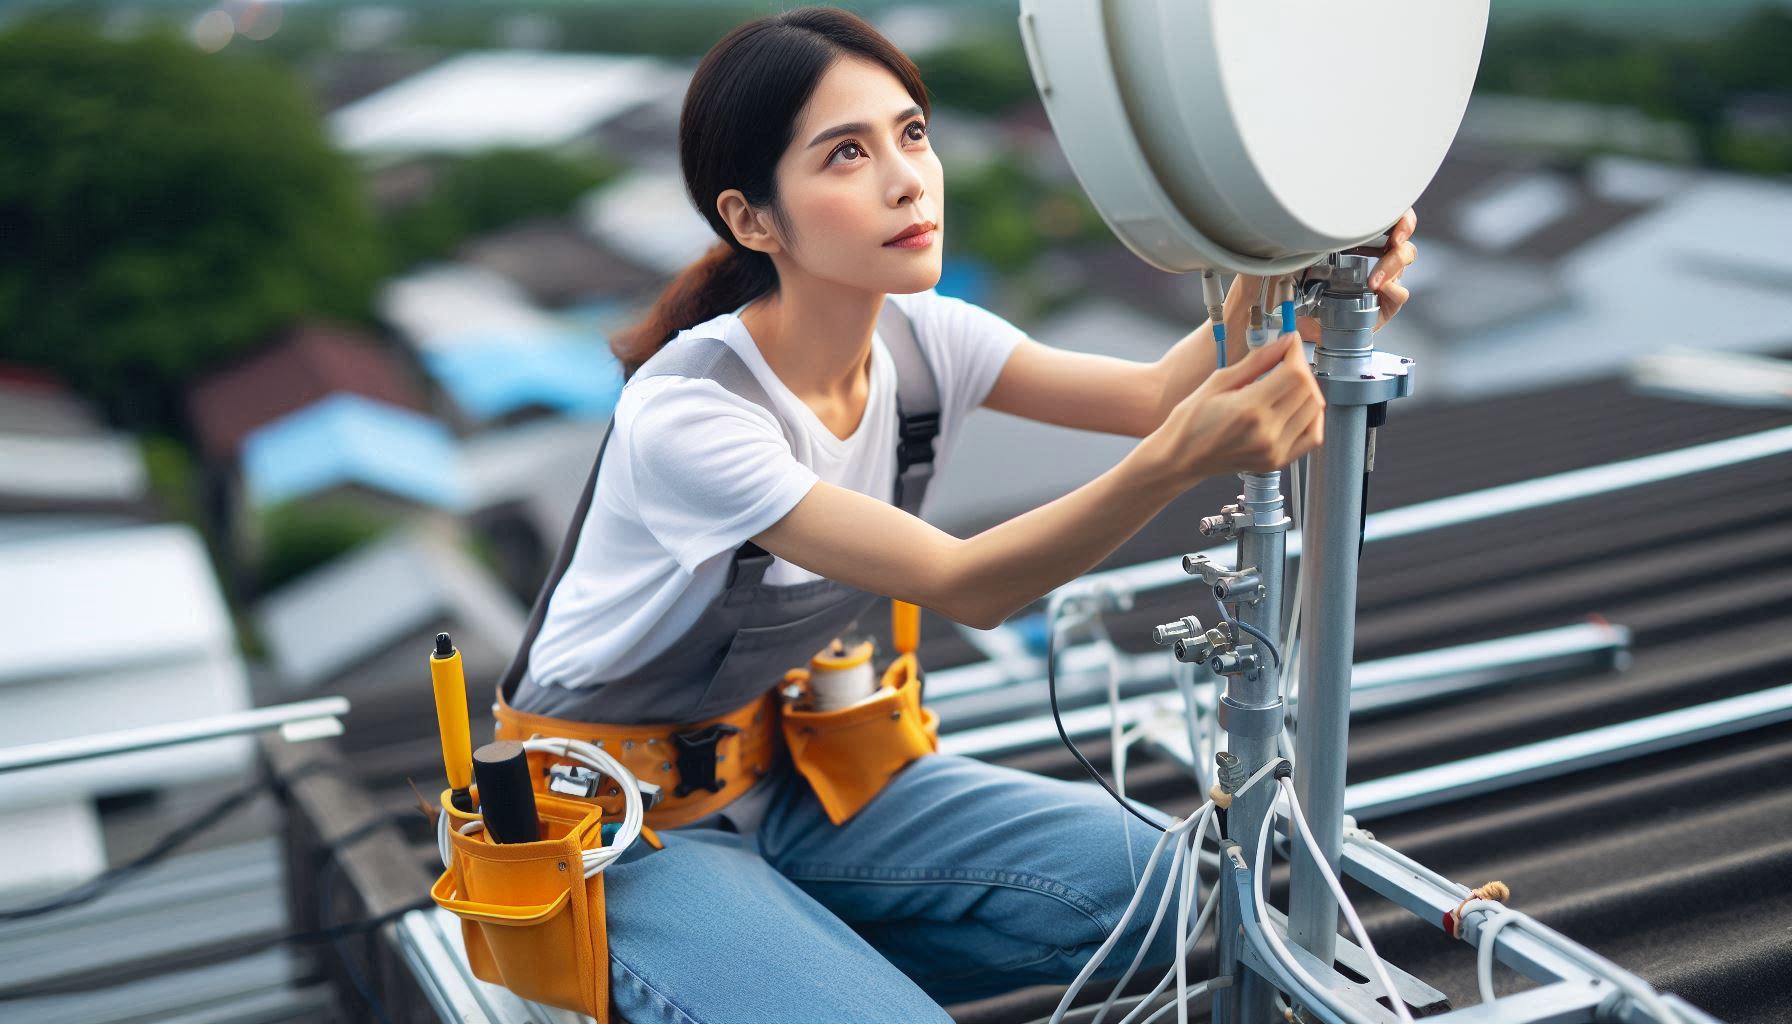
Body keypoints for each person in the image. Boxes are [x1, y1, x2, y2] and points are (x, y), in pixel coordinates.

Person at [500, 7, 1418, 1022]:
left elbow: (1155, 397)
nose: (906, 178)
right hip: (616, 827)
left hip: (794, 783)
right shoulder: (692, 413)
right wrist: (1173, 464)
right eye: (846, 153)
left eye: (911, 133)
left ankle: (781, 952)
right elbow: (969, 584)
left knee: (1150, 890)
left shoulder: (922, 338)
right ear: (753, 219)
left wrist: (1300, 259)